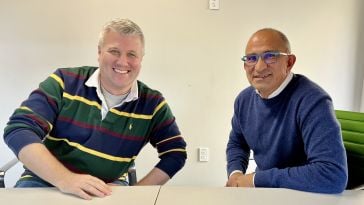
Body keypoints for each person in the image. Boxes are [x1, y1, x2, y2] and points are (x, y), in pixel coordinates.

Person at [3, 18, 187, 200]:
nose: (123, 61)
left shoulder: (152, 104)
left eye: (132, 54)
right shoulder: (65, 81)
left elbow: (175, 153)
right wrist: (65, 179)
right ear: (99, 53)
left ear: (141, 59)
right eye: (114, 51)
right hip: (45, 181)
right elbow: (19, 129)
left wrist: (137, 192)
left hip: (108, 188)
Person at [225, 28, 347, 193]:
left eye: (270, 56)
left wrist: (255, 179)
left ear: (289, 62)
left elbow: (333, 175)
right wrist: (235, 174)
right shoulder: (244, 100)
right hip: (267, 191)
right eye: (251, 58)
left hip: (305, 195)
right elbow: (237, 142)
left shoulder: (313, 100)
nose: (259, 67)